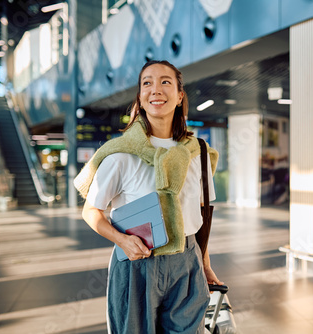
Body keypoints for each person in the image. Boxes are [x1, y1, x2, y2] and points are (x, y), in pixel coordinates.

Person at [74, 60, 222, 333]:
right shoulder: (119, 154)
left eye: (166, 82)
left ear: (179, 96)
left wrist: (204, 263)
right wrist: (122, 240)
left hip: (187, 261)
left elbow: (202, 213)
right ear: (140, 98)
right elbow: (90, 211)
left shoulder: (198, 152)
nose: (156, 89)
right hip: (138, 262)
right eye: (147, 83)